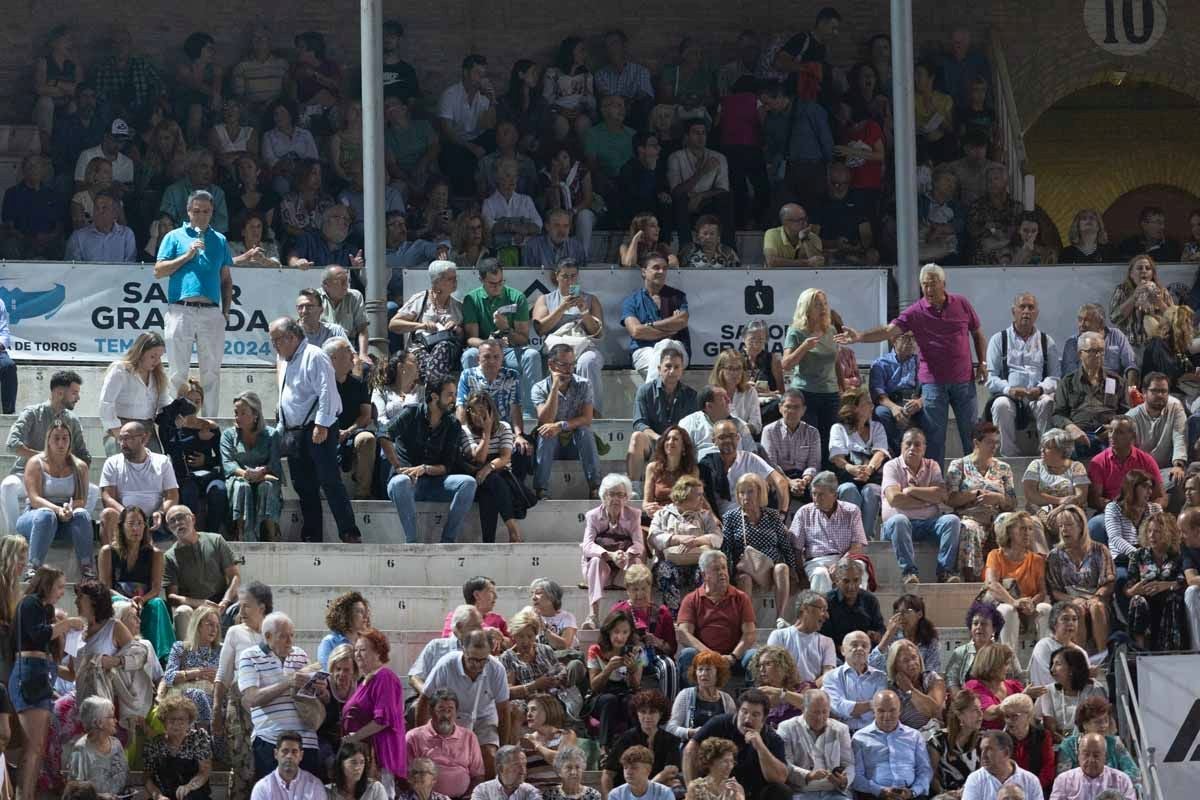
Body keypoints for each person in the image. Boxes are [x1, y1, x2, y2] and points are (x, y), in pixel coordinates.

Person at [838, 263, 986, 465]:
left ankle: (976, 478)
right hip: (933, 384)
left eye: (933, 284)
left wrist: (983, 363)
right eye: (924, 285)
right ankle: (935, 484)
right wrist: (861, 336)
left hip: (963, 380)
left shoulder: (961, 303)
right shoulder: (915, 312)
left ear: (944, 283)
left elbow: (977, 333)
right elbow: (889, 330)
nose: (929, 289)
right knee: (934, 438)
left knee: (971, 434)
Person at [269, 317, 363, 544]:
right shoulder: (286, 361)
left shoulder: (315, 355)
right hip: (295, 431)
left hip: (317, 428)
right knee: (304, 486)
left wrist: (321, 424)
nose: (274, 345)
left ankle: (349, 531)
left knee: (330, 481)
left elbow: (327, 391)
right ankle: (312, 534)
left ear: (291, 337)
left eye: (276, 340)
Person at [14, 567, 85, 800]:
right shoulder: (30, 603)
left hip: (41, 672)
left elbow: (68, 670)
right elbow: (38, 634)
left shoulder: (45, 608)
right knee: (33, 747)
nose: (61, 592)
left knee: (38, 748)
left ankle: (28, 793)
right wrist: (66, 624)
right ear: (46, 584)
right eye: (59, 587)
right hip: (30, 672)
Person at [382, 377, 477, 543]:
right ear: (434, 397)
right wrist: (397, 466)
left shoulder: (453, 423)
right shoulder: (411, 413)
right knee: (400, 483)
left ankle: (447, 540)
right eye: (449, 395)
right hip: (406, 483)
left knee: (468, 483)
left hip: (435, 483)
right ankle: (412, 543)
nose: (454, 400)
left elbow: (447, 466)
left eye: (454, 395)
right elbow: (383, 435)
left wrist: (425, 468)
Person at [240, 611, 323, 781]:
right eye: (284, 636)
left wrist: (321, 689)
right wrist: (289, 682)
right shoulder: (250, 656)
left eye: (292, 635)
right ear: (268, 636)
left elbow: (311, 696)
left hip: (306, 741)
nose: (290, 642)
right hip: (272, 741)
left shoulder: (300, 654)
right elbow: (252, 698)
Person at [421, 629, 512, 776]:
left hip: (484, 718)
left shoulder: (496, 668)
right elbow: (424, 699)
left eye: (483, 660)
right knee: (451, 758)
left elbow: (503, 710)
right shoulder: (446, 665)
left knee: (490, 757)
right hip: (453, 717)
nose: (477, 665)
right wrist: (423, 738)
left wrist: (502, 748)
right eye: (473, 659)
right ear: (463, 650)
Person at [880, 427, 962, 584]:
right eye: (908, 444)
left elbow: (941, 495)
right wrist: (928, 499)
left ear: (924, 448)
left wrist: (910, 490)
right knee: (900, 520)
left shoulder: (932, 466)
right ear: (901, 446)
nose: (912, 448)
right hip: (897, 527)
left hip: (928, 524)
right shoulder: (891, 466)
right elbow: (895, 499)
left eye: (917, 444)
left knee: (952, 520)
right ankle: (909, 572)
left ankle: (945, 571)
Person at [461, 261, 543, 418]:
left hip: (510, 350)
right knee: (469, 355)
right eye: (492, 284)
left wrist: (506, 329)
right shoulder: (471, 299)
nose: (498, 287)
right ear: (482, 280)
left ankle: (529, 414)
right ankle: (475, 410)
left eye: (501, 282)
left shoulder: (516, 297)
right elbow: (471, 338)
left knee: (532, 356)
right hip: (484, 350)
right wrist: (489, 345)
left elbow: (523, 339)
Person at [14, 418, 94, 580]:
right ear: (48, 440)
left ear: (70, 441)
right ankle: (33, 568)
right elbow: (35, 498)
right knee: (46, 514)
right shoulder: (35, 463)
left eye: (65, 438)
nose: (60, 443)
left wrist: (69, 509)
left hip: (65, 519)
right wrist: (57, 510)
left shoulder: (80, 466)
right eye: (56, 438)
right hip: (35, 517)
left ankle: (87, 568)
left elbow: (81, 499)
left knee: (82, 514)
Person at [985, 293, 1060, 457]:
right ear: (1014, 311)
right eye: (1022, 307)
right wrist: (1009, 389)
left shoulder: (1047, 341)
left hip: (1037, 396)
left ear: (1037, 313)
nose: (1026, 311)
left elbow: (1055, 377)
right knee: (1000, 405)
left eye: (1031, 308)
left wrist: (1040, 389)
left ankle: (1047, 455)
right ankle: (1008, 456)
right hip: (1010, 396)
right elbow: (991, 378)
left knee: (1047, 402)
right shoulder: (999, 339)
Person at [683, 689, 789, 800]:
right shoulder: (719, 723)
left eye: (755, 715)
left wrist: (760, 747)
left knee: (781, 791)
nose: (748, 719)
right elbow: (690, 749)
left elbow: (780, 778)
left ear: (764, 719)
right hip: (716, 787)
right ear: (738, 711)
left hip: (754, 791)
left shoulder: (772, 738)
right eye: (744, 712)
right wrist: (691, 788)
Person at [97, 506, 174, 659]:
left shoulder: (155, 554)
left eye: (140, 523)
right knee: (123, 606)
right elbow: (105, 587)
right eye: (131, 523)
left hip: (143, 600)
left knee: (158, 603)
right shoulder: (108, 551)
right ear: (121, 526)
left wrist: (141, 600)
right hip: (117, 598)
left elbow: (156, 588)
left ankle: (164, 657)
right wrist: (127, 600)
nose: (136, 528)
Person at [531, 260, 605, 411]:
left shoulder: (591, 300)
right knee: (556, 362)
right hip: (557, 350)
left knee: (588, 362)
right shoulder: (545, 299)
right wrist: (561, 308)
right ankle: (552, 411)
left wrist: (584, 312)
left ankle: (593, 412)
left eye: (573, 276)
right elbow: (540, 329)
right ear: (556, 276)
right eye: (565, 276)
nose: (569, 281)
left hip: (584, 348)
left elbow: (598, 334)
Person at [947, 422, 1017, 580]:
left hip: (996, 516)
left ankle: (1009, 575)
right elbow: (951, 499)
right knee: (969, 528)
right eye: (989, 442)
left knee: (1009, 522)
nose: (994, 446)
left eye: (996, 442)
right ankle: (972, 577)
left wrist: (998, 498)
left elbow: (1012, 502)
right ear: (976, 443)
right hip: (971, 516)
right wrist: (975, 494)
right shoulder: (958, 465)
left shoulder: (1003, 468)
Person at [532, 343, 601, 500]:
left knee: (585, 431)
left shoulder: (583, 384)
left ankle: (595, 486)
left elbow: (587, 418)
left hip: (574, 441)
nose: (569, 369)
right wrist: (555, 387)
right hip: (551, 444)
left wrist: (561, 425)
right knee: (546, 432)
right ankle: (541, 488)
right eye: (564, 365)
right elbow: (545, 420)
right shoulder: (539, 388)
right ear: (551, 364)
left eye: (572, 364)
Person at [341, 628, 407, 792]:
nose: (357, 654)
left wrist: (355, 737)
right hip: (362, 754)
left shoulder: (385, 677)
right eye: (355, 650)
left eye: (363, 650)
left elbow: (383, 720)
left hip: (379, 756)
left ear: (378, 652)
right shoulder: (366, 680)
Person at [676, 551, 756, 685]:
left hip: (733, 659)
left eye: (724, 568)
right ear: (703, 575)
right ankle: (690, 701)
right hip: (704, 659)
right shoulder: (691, 599)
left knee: (753, 656)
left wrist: (733, 657)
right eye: (715, 569)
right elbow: (684, 634)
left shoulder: (741, 598)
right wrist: (710, 655)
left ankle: (752, 703)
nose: (722, 573)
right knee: (687, 654)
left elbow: (749, 634)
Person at [158, 380, 225, 535]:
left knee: (219, 491)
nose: (194, 406)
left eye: (198, 401)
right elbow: (172, 450)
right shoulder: (174, 427)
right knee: (189, 491)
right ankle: (190, 533)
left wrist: (206, 461)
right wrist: (197, 438)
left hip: (208, 475)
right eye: (190, 401)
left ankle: (212, 534)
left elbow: (221, 459)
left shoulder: (210, 427)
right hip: (185, 476)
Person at [460, 390, 528, 544]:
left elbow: (505, 457)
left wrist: (489, 467)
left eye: (482, 411)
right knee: (489, 483)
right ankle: (513, 529)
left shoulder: (504, 427)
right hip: (475, 479)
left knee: (490, 487)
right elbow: (478, 458)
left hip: (503, 479)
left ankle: (488, 542)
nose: (478, 416)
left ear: (491, 411)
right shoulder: (464, 431)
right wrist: (487, 432)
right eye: (474, 412)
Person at [1045, 505, 1115, 653]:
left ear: (1081, 527)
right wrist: (1072, 599)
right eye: (1061, 526)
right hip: (1069, 598)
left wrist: (1095, 597)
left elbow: (1109, 583)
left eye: (1069, 525)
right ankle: (1080, 656)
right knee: (1076, 609)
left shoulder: (1099, 549)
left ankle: (1103, 656)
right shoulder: (1054, 555)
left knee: (1097, 607)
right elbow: (1054, 591)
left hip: (1096, 596)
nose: (1064, 530)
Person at [163, 503, 240, 638]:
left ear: (192, 519)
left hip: (222, 603)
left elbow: (235, 576)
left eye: (181, 517)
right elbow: (171, 597)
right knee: (182, 611)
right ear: (169, 528)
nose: (177, 523)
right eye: (172, 521)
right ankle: (188, 656)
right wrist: (199, 603)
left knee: (244, 605)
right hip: (194, 608)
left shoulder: (216, 540)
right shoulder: (169, 556)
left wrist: (226, 601)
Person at [98, 420, 179, 547]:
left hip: (154, 520)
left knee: (180, 512)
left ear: (144, 438)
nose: (122, 444)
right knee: (107, 514)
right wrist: (128, 515)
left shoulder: (162, 462)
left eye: (128, 438)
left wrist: (161, 512)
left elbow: (172, 495)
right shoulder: (112, 462)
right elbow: (107, 497)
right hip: (124, 518)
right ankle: (110, 560)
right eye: (121, 439)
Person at [628, 345, 699, 488]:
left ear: (682, 371)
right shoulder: (645, 391)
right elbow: (639, 423)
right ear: (659, 369)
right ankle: (635, 488)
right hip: (654, 441)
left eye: (676, 367)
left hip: (679, 444)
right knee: (636, 437)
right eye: (668, 366)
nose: (672, 371)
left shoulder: (691, 395)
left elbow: (693, 425)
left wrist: (674, 440)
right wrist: (659, 438)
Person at [780, 289, 839, 460]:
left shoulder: (831, 331)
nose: (823, 308)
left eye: (825, 304)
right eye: (817, 304)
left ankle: (828, 481)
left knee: (830, 442)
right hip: (806, 394)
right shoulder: (796, 331)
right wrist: (804, 347)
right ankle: (809, 477)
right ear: (806, 308)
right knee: (810, 440)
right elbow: (786, 364)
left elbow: (836, 362)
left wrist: (841, 387)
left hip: (831, 394)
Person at [581, 474, 646, 625]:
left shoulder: (634, 515)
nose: (616, 499)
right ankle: (593, 615)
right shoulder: (593, 516)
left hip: (622, 568)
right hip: (601, 570)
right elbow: (587, 546)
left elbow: (639, 544)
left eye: (621, 495)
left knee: (636, 562)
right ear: (604, 496)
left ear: (627, 497)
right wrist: (609, 555)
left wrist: (625, 555)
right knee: (596, 561)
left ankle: (638, 615)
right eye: (612, 494)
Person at [789, 473, 868, 597]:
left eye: (821, 494)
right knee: (820, 574)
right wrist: (801, 575)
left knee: (858, 567)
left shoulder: (852, 511)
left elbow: (857, 545)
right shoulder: (804, 513)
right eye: (814, 494)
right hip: (816, 561)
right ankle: (822, 614)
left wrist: (841, 564)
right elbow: (796, 549)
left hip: (846, 558)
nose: (816, 498)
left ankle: (858, 612)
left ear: (834, 495)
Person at [985, 511, 1052, 653]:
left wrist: (1031, 603)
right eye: (1022, 529)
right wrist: (1014, 602)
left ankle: (1043, 662)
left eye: (1030, 529)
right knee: (1008, 610)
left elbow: (1042, 591)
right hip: (1005, 605)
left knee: (1046, 609)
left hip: (1029, 607)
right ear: (1010, 532)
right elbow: (992, 584)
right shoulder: (995, 555)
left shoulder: (1037, 560)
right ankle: (1010, 665)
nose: (1027, 533)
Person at [222, 391, 284, 542]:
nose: (238, 417)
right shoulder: (228, 435)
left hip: (265, 476)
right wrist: (246, 474)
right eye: (236, 412)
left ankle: (271, 533)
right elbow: (228, 463)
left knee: (267, 487)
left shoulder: (271, 435)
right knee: (242, 487)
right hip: (239, 477)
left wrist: (260, 473)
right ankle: (241, 533)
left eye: (243, 413)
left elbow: (274, 464)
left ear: (255, 414)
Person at [828, 390, 889, 539]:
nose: (871, 405)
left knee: (871, 491)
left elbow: (880, 453)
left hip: (871, 477)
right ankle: (848, 537)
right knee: (849, 490)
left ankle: (865, 538)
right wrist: (852, 468)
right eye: (867, 403)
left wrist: (868, 469)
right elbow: (837, 457)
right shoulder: (839, 428)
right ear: (855, 408)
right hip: (847, 477)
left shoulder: (877, 427)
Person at [1125, 510, 1189, 651]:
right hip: (1146, 601)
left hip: (1169, 600)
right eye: (1149, 531)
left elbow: (1185, 582)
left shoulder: (1177, 555)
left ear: (1168, 533)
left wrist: (1166, 585)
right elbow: (1128, 590)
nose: (1152, 536)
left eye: (1157, 532)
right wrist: (1136, 590)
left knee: (1173, 599)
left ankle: (1171, 650)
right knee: (1137, 600)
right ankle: (1139, 651)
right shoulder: (1138, 555)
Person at [850, 690, 932, 799]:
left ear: (900, 711)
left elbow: (924, 770)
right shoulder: (860, 737)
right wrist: (880, 791)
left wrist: (913, 792)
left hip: (911, 795)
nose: (887, 716)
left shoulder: (915, 736)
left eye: (892, 710)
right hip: (875, 795)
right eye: (881, 711)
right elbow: (856, 776)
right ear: (873, 712)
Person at [406, 689, 486, 799]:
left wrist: (469, 796)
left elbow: (478, 776)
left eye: (450, 710)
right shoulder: (413, 737)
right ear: (431, 711)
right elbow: (406, 776)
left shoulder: (469, 737)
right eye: (441, 710)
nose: (446, 715)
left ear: (456, 712)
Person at [623, 254, 691, 381]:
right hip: (643, 351)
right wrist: (670, 329)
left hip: (676, 348)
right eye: (656, 268)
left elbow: (682, 321)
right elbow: (636, 331)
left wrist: (649, 326)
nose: (661, 271)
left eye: (665, 268)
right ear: (643, 271)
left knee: (666, 345)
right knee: (661, 355)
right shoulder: (631, 301)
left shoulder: (678, 296)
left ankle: (649, 399)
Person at [322, 339, 376, 500]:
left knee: (367, 438)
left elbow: (366, 415)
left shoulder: (359, 384)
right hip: (325, 431)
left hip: (353, 431)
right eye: (347, 351)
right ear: (333, 359)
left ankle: (363, 492)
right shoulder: (320, 384)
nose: (353, 355)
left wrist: (348, 431)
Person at [701, 421, 789, 518]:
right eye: (722, 437)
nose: (727, 440)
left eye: (731, 436)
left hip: (753, 519)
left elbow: (780, 482)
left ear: (738, 438)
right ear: (714, 441)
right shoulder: (707, 465)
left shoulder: (750, 459)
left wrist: (781, 515)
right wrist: (714, 520)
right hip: (723, 521)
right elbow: (701, 496)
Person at [1126, 371, 1188, 510]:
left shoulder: (1175, 409)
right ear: (1144, 392)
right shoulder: (1131, 417)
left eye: (1164, 391)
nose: (1160, 395)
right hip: (1140, 475)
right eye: (1155, 391)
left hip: (1166, 470)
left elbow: (1180, 436)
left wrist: (1179, 464)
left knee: (1182, 477)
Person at [438, 54, 497, 197]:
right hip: (456, 141)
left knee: (496, 137)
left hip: (478, 138)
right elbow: (447, 130)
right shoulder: (450, 94)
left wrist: (492, 100)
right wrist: (470, 147)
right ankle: (464, 200)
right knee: (455, 156)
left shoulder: (483, 96)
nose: (481, 78)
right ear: (465, 72)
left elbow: (489, 126)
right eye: (477, 73)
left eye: (483, 75)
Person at [601, 689, 680, 795]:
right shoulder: (626, 738)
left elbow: (670, 771)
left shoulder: (670, 739)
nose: (647, 717)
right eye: (643, 712)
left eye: (652, 712)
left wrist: (646, 789)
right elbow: (608, 773)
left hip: (656, 791)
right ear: (637, 714)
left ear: (661, 714)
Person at [1093, 435, 1165, 548]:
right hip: (1124, 558)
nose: (1150, 492)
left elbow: (1161, 538)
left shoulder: (1155, 509)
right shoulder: (1114, 508)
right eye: (1145, 487)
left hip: (1149, 558)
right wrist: (1138, 555)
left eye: (1150, 488)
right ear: (1133, 488)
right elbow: (1116, 538)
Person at [145, 694, 214, 800]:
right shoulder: (154, 744)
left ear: (189, 721)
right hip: (164, 795)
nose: (176, 724)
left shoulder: (199, 738)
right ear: (164, 721)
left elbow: (204, 771)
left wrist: (188, 787)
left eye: (181, 720)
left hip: (193, 794)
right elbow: (147, 778)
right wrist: (157, 796)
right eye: (172, 720)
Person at [160, 605, 221, 724]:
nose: (214, 630)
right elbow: (168, 677)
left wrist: (217, 680)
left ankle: (206, 734)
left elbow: (228, 682)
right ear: (198, 625)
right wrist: (195, 673)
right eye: (209, 624)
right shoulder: (180, 648)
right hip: (184, 700)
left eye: (217, 626)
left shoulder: (221, 651)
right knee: (197, 695)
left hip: (213, 699)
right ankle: (204, 734)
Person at [868, 332, 925, 457]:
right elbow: (877, 393)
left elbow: (930, 387)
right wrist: (894, 408)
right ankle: (894, 453)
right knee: (881, 413)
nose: (910, 342)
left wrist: (920, 402)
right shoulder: (881, 363)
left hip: (914, 401)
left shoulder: (921, 362)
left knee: (932, 411)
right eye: (905, 338)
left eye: (913, 338)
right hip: (891, 402)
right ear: (894, 340)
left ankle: (927, 457)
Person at [761, 390, 822, 504]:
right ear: (780, 408)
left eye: (796, 407)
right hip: (779, 475)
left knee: (822, 487)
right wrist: (789, 482)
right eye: (788, 406)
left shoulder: (812, 432)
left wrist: (804, 481)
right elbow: (770, 464)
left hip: (804, 477)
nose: (792, 411)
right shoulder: (769, 431)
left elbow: (814, 463)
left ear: (803, 410)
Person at [1061, 304, 1140, 391]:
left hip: (1114, 386)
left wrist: (1131, 389)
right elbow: (1070, 374)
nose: (1082, 325)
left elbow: (1131, 365)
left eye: (1087, 320)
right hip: (1084, 388)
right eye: (1080, 320)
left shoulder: (1116, 335)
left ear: (1101, 323)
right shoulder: (1072, 343)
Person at [1022, 429, 1091, 523]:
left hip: (1068, 511)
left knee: (1064, 520)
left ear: (1062, 451)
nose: (1042, 450)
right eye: (1042, 446)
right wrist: (1059, 500)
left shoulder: (1076, 467)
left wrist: (1061, 508)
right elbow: (1030, 494)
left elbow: (1081, 497)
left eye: (1047, 447)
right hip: (1039, 511)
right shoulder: (1036, 465)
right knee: (1038, 522)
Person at [666, 650, 736, 742]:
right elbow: (671, 727)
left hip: (719, 750)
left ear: (718, 673)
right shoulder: (685, 695)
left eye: (708, 669)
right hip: (692, 748)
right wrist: (690, 732)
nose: (703, 673)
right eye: (700, 669)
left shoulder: (727, 700)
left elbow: (733, 728)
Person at [767, 590, 835, 684]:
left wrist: (811, 687)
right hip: (784, 691)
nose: (827, 616)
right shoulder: (779, 636)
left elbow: (828, 673)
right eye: (823, 610)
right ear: (806, 608)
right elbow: (772, 669)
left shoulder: (827, 642)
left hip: (815, 693)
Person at [67, 696, 129, 797]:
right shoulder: (81, 749)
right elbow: (75, 791)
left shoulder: (116, 744)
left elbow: (125, 777)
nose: (116, 721)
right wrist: (99, 797)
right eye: (112, 717)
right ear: (99, 723)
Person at [1037, 646, 1106, 738]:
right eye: (1052, 664)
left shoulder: (1094, 689)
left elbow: (1102, 722)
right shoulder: (1047, 691)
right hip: (1058, 746)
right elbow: (1049, 726)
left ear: (1072, 668)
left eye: (1058, 664)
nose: (1052, 669)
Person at [820, 560, 885, 656]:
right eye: (846, 581)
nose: (851, 586)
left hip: (867, 654)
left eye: (856, 580)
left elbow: (880, 628)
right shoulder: (827, 602)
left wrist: (876, 635)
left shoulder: (870, 600)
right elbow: (824, 637)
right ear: (836, 581)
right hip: (836, 655)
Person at [963, 643, 1031, 731]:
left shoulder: (1013, 685)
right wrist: (1021, 697)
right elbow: (989, 714)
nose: (1009, 668)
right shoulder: (974, 686)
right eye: (1005, 664)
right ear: (992, 665)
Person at [998, 693, 1057, 795]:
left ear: (1028, 715)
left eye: (1014, 716)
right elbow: (998, 769)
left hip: (1037, 789)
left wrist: (1031, 788)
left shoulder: (1043, 736)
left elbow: (1048, 768)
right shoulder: (1000, 739)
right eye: (1007, 716)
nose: (1009, 721)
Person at [945, 601, 1010, 691]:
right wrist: (960, 700)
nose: (978, 627)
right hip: (969, 701)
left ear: (994, 628)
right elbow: (951, 680)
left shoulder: (1003, 652)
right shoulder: (960, 652)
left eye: (984, 624)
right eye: (975, 623)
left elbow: (1016, 677)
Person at [930, 691, 984, 798]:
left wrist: (966, 792)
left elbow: (983, 775)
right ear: (959, 715)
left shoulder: (983, 741)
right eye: (974, 710)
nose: (981, 714)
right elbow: (931, 775)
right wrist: (944, 793)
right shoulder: (938, 740)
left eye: (981, 709)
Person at [960, 730, 1045, 800]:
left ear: (1006, 752)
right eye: (981, 750)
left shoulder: (1030, 780)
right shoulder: (975, 779)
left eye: (989, 749)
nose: (983, 755)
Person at [1049, 733, 1136, 800]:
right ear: (1079, 756)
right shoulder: (1063, 780)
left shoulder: (1122, 780)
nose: (1091, 760)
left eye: (1096, 755)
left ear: (1105, 757)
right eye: (1086, 755)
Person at [869, 594, 942, 673]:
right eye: (897, 612)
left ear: (919, 614)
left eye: (906, 611)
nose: (901, 616)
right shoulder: (892, 638)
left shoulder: (929, 640)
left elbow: (932, 671)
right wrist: (888, 634)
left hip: (919, 683)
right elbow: (872, 664)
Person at [885, 638, 946, 731]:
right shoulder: (890, 688)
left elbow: (934, 711)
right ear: (895, 665)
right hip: (905, 737)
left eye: (914, 657)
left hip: (932, 735)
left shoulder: (932, 678)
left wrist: (910, 689)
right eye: (905, 660)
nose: (912, 663)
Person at [250, 731, 326, 800]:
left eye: (294, 752)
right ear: (276, 754)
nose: (289, 756)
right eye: (285, 751)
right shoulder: (262, 788)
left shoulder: (314, 785)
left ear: (301, 755)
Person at [65, 189, 136, 262]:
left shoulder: (127, 235)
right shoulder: (78, 237)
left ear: (115, 212)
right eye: (96, 208)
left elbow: (130, 268)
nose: (98, 212)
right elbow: (73, 269)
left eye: (104, 208)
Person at [710, 350, 762, 436]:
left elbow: (756, 425)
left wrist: (739, 430)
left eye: (738, 368)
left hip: (743, 438)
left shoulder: (750, 391)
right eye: (730, 368)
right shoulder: (711, 393)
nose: (735, 373)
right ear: (720, 370)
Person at [317, 591, 371, 668]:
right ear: (346, 615)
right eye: (360, 611)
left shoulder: (368, 642)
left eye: (366, 612)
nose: (366, 616)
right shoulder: (330, 642)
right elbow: (329, 672)